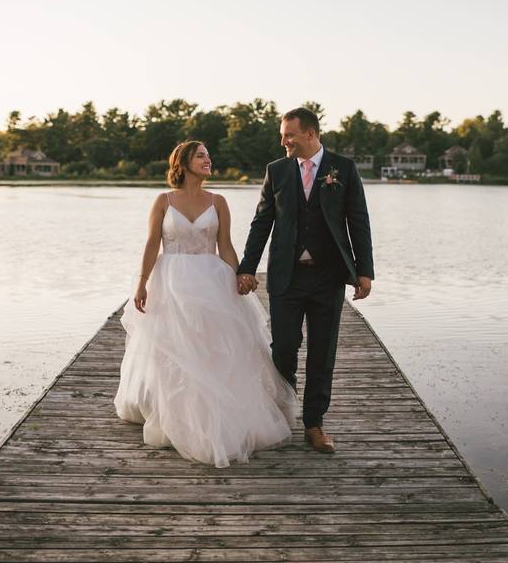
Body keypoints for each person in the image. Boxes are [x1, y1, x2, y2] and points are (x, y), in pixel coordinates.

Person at [115, 140, 298, 467]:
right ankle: (175, 415)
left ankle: (216, 417)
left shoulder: (219, 201)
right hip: (171, 280)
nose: (208, 161)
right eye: (201, 156)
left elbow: (225, 246)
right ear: (183, 162)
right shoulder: (163, 201)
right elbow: (151, 244)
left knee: (214, 348)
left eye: (208, 157)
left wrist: (240, 275)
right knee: (176, 350)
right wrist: (141, 283)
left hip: (211, 280)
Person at [237, 107, 374, 454]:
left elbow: (358, 220)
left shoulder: (342, 169)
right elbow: (261, 223)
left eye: (289, 135)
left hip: (328, 277)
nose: (283, 141)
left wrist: (364, 271)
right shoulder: (277, 171)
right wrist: (246, 268)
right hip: (287, 276)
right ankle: (283, 412)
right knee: (283, 346)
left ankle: (314, 423)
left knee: (322, 352)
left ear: (310, 134)